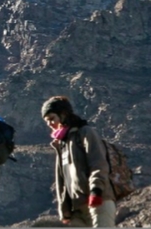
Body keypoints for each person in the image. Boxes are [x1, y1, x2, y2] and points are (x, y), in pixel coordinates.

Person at [42, 96, 116, 227]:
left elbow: (98, 163)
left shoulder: (85, 133)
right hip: (77, 210)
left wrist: (96, 190)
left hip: (99, 202)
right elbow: (63, 181)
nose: (49, 124)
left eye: (52, 118)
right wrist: (64, 211)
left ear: (63, 114)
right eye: (47, 121)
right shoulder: (61, 144)